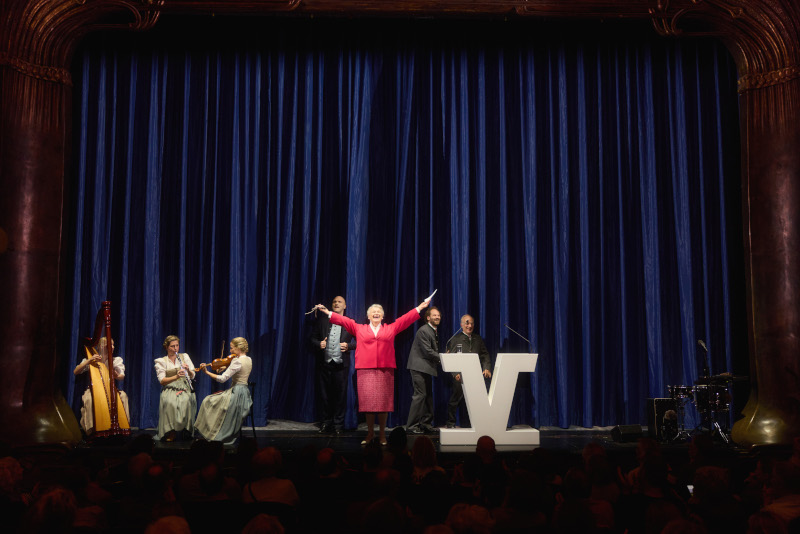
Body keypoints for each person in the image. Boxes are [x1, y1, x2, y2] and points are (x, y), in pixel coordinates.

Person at [315, 298, 430, 445]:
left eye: (379, 312)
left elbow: (405, 319)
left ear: (382, 316)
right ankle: (370, 434)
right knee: (368, 405)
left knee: (383, 405)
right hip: (365, 370)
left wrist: (420, 307)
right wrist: (328, 312)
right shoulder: (359, 328)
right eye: (373, 312)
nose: (376, 314)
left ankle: (382, 435)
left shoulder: (390, 328)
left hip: (385, 371)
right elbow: (344, 321)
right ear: (368, 316)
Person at [310, 295, 356, 434]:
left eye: (339, 301)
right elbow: (312, 338)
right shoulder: (323, 321)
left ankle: (338, 425)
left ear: (345, 306)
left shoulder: (349, 322)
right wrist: (319, 344)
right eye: (334, 301)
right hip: (325, 364)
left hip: (341, 365)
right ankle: (326, 422)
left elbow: (361, 341)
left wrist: (349, 346)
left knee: (340, 396)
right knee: (324, 396)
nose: (336, 303)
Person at [195, 337, 253, 445]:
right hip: (245, 393)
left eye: (232, 348)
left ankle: (212, 431)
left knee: (208, 401)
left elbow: (222, 379)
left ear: (238, 348)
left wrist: (206, 372)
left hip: (236, 393)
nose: (230, 351)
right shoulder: (249, 359)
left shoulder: (236, 361)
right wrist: (223, 366)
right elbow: (237, 370)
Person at [74, 337, 130, 436]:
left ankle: (123, 427)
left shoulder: (115, 360)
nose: (112, 347)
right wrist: (89, 361)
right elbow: (76, 371)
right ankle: (91, 430)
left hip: (110, 390)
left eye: (113, 345)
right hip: (93, 389)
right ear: (100, 346)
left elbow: (121, 376)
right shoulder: (91, 358)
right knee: (89, 399)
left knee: (123, 396)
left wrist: (116, 375)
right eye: (109, 345)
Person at [445, 314, 492, 428]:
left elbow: (484, 355)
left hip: (475, 375)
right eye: (467, 323)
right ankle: (450, 423)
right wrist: (455, 373)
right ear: (461, 325)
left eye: (471, 323)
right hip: (460, 376)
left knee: (476, 402)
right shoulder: (455, 339)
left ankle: (476, 424)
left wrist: (486, 368)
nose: (469, 325)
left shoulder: (478, 339)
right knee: (455, 400)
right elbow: (450, 358)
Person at [405, 306, 442, 434]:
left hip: (425, 368)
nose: (437, 317)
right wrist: (443, 357)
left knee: (428, 396)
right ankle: (411, 426)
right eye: (434, 315)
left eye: (438, 315)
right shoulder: (424, 330)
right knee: (420, 395)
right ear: (428, 318)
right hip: (418, 367)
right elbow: (427, 351)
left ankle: (426, 423)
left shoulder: (432, 330)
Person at [154, 335, 197, 442]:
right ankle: (170, 431)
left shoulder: (184, 357)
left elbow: (193, 375)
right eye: (172, 346)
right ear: (167, 347)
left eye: (177, 345)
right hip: (170, 387)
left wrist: (189, 370)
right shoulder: (161, 361)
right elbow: (162, 381)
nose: (175, 348)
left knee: (186, 401)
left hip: (184, 386)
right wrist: (177, 376)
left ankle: (186, 431)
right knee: (170, 402)